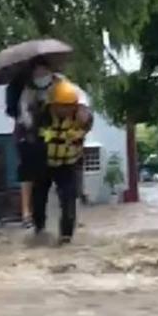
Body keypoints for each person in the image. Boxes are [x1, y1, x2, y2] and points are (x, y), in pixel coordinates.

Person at [6, 57, 92, 227]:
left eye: (43, 72)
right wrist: (36, 129)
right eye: (37, 73)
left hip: (67, 155)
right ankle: (37, 223)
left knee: (68, 192)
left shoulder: (63, 86)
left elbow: (81, 101)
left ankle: (69, 222)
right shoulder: (28, 92)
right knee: (39, 190)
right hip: (42, 150)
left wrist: (81, 112)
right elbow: (26, 119)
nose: (40, 76)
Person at [31, 79, 93, 245]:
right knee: (38, 198)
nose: (66, 110)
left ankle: (66, 236)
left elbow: (87, 120)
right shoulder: (43, 115)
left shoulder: (81, 115)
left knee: (68, 199)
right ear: (54, 105)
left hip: (68, 164)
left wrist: (84, 118)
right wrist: (48, 137)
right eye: (63, 106)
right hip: (44, 163)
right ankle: (39, 229)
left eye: (70, 106)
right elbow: (35, 135)